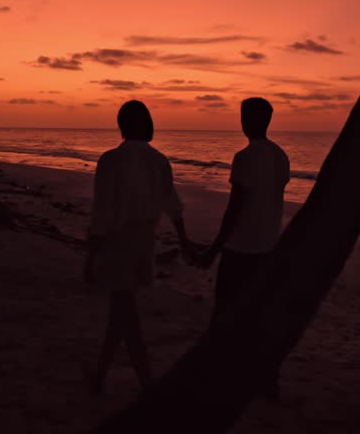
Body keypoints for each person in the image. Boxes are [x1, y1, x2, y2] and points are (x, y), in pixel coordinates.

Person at [84, 100, 195, 395]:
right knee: (121, 312)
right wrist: (184, 242)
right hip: (144, 243)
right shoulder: (159, 160)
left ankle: (146, 380)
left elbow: (102, 212)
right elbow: (173, 206)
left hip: (117, 243)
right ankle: (101, 375)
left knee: (124, 313)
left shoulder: (110, 160)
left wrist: (92, 253)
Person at [198, 97, 290, 398]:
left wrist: (214, 248)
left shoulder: (245, 157)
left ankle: (213, 372)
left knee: (224, 310)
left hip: (241, 247)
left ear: (247, 120)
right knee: (259, 315)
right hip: (268, 245)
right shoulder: (281, 156)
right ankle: (267, 379)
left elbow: (235, 209)